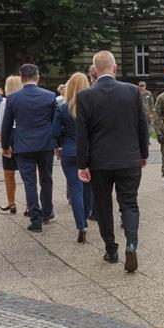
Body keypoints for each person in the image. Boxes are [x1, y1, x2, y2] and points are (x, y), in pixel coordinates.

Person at [76, 51, 149, 272]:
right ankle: (131, 244)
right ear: (114, 68)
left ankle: (111, 249)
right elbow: (143, 125)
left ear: (94, 70)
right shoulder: (132, 91)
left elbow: (82, 134)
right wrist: (143, 154)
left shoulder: (85, 96)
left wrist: (82, 164)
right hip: (129, 159)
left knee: (103, 205)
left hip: (100, 162)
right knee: (129, 203)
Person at [0, 64, 57, 233]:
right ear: (37, 77)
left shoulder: (13, 98)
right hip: (45, 144)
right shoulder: (49, 96)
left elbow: (6, 125)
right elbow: (56, 122)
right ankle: (47, 212)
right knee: (46, 179)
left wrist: (5, 146)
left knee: (29, 183)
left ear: (21, 78)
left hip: (24, 146)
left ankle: (36, 219)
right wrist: (57, 143)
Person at [53, 72, 94, 243]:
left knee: (75, 189)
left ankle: (81, 225)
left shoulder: (63, 107)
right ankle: (86, 216)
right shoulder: (93, 106)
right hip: (90, 152)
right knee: (88, 188)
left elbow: (55, 131)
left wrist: (59, 146)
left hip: (69, 152)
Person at [0, 75, 23, 214]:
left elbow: (2, 124)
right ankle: (30, 204)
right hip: (23, 135)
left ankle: (11, 202)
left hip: (10, 134)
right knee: (27, 172)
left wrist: (3, 142)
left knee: (8, 172)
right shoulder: (25, 100)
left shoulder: (5, 102)